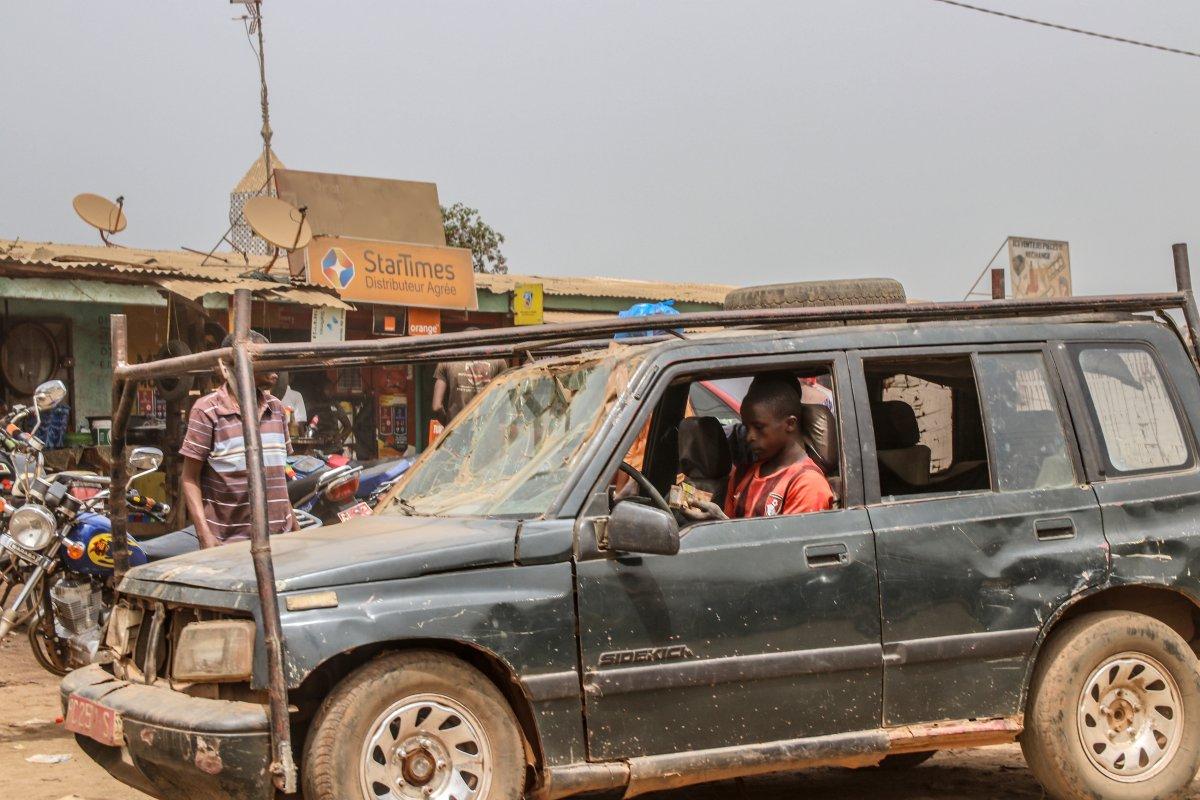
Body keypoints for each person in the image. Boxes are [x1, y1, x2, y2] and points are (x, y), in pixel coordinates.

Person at [179, 331, 297, 548]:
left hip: (281, 540)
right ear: (233, 363)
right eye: (263, 357)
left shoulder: (277, 409)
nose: (275, 365)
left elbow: (278, 478)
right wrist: (204, 534)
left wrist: (294, 526)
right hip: (230, 544)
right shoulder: (207, 411)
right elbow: (189, 478)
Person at [683, 373, 834, 521]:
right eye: (747, 428)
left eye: (759, 427)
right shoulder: (742, 475)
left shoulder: (807, 484)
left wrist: (721, 521)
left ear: (790, 424)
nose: (749, 437)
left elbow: (791, 545)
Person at [431, 340, 508, 423]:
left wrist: (448, 426)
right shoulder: (498, 361)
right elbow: (505, 399)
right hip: (485, 430)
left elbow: (436, 406)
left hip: (457, 430)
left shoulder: (447, 361)